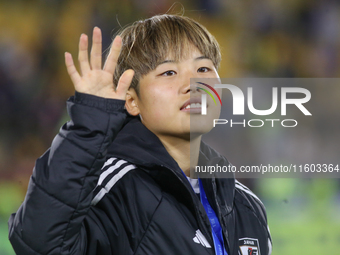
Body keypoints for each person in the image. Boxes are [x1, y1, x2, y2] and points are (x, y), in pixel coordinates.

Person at [8, 14, 272, 255]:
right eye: (169, 72)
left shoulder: (247, 205)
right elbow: (40, 244)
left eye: (203, 69)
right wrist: (90, 123)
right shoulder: (113, 188)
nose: (192, 84)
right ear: (132, 101)